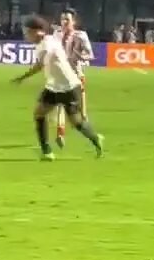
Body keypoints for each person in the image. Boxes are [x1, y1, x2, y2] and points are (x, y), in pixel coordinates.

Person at [12, 15, 104, 161]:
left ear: (37, 31)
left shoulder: (47, 43)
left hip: (69, 87)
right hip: (53, 87)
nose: (26, 35)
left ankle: (95, 139)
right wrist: (23, 77)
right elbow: (41, 64)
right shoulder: (43, 44)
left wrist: (23, 77)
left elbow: (42, 61)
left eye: (27, 32)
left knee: (76, 123)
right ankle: (46, 151)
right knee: (39, 114)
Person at [55, 9, 94, 147]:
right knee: (60, 103)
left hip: (76, 74)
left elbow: (90, 55)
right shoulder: (57, 35)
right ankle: (60, 133)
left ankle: (85, 122)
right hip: (61, 74)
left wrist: (81, 56)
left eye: (67, 19)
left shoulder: (81, 36)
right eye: (62, 19)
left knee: (80, 107)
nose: (64, 22)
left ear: (74, 22)